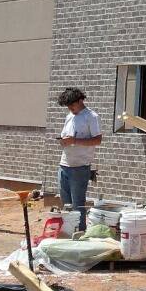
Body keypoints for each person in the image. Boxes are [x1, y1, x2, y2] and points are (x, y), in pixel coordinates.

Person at [56, 87, 102, 231]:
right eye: (68, 106)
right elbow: (67, 137)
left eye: (72, 105)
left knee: (78, 205)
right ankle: (68, 231)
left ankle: (79, 232)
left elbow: (97, 140)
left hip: (80, 166)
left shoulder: (91, 117)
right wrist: (64, 141)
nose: (70, 108)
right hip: (64, 164)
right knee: (66, 204)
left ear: (80, 100)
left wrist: (74, 141)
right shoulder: (69, 116)